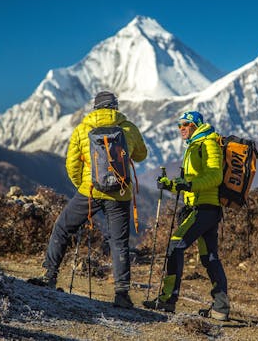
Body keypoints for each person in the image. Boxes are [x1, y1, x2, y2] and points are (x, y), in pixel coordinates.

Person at [28, 91, 147, 309]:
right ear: (115, 107)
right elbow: (141, 155)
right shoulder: (128, 128)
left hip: (89, 191)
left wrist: (82, 185)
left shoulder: (83, 129)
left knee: (63, 228)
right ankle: (121, 294)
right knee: (119, 243)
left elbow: (72, 165)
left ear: (95, 108)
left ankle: (50, 276)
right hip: (120, 194)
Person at [142, 111, 230, 321]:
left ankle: (167, 300)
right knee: (209, 257)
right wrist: (171, 185)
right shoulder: (194, 144)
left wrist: (189, 184)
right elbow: (189, 184)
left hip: (203, 208)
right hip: (204, 208)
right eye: (179, 124)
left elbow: (215, 176)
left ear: (195, 125)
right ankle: (221, 307)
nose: (181, 128)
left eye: (186, 124)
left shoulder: (207, 143)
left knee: (175, 245)